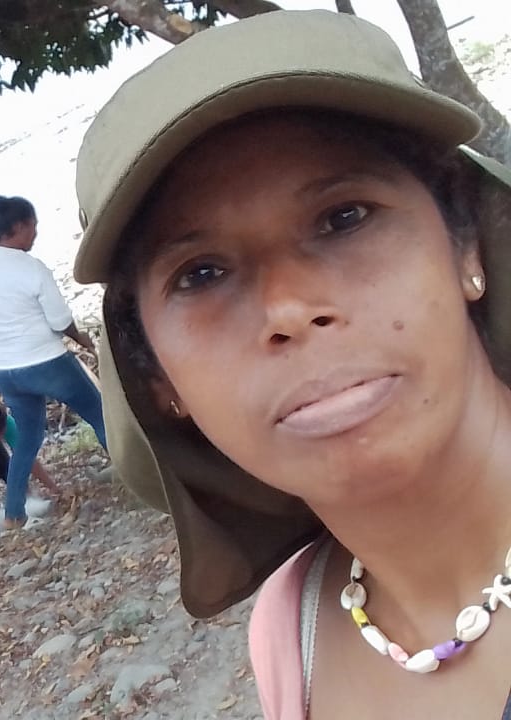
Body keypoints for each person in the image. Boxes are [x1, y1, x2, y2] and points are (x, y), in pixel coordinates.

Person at [75, 9, 511, 719]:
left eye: (345, 218)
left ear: (465, 246)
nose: (288, 307)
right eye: (202, 273)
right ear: (157, 379)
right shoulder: (291, 630)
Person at [0, 195, 108, 527]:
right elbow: (60, 321)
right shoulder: (32, 268)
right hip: (46, 362)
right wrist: (83, 340)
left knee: (27, 441)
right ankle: (140, 476)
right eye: (34, 227)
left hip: (6, 370)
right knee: (100, 413)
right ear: (21, 226)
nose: (36, 234)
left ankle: (13, 514)